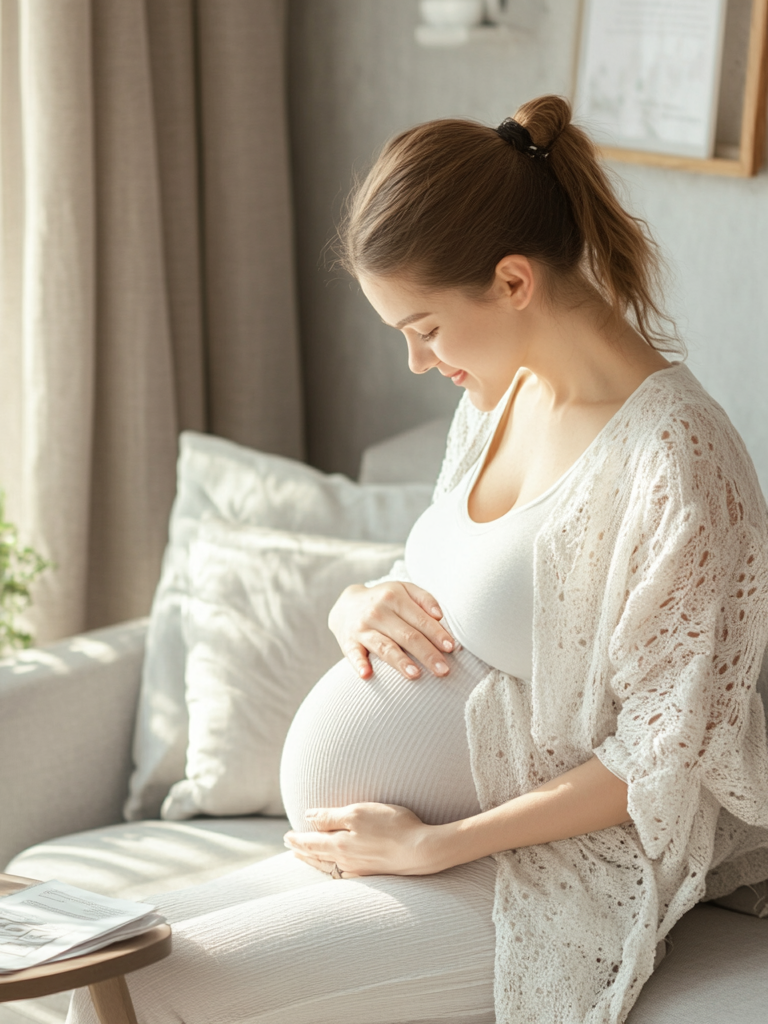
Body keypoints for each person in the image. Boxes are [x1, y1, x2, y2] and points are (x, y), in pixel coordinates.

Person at [68, 95, 768, 1024]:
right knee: (99, 958)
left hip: (534, 873)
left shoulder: (675, 460)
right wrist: (353, 604)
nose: (415, 360)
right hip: (400, 847)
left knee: (154, 981)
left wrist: (437, 846)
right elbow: (435, 591)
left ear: (513, 282)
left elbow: (663, 757)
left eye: (426, 327)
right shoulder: (493, 399)